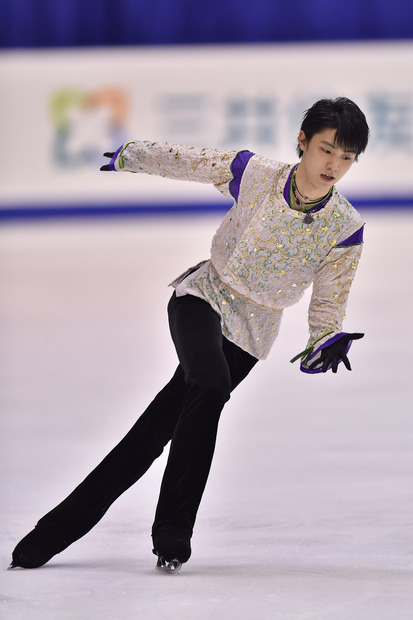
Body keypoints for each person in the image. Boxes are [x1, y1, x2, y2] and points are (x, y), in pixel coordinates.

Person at [10, 96, 369, 573]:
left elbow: (329, 299)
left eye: (347, 158)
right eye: (327, 150)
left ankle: (51, 534)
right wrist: (132, 155)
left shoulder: (345, 228)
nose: (334, 165)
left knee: (152, 433)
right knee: (210, 384)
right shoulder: (255, 174)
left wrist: (326, 337)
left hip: (252, 333)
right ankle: (175, 530)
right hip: (203, 297)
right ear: (302, 142)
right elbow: (192, 161)